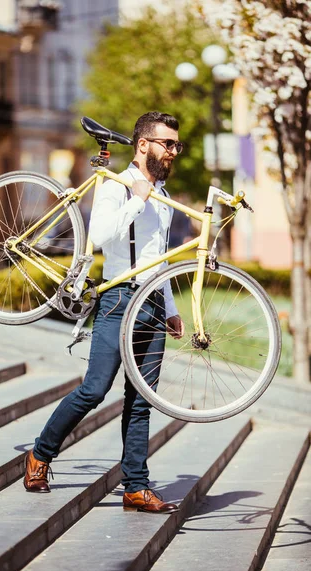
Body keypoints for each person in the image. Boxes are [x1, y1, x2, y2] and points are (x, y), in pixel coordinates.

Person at [24, 112, 185, 513]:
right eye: (168, 144)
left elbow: (159, 259)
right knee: (95, 389)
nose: (173, 152)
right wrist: (137, 199)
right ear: (144, 144)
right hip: (119, 299)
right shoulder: (118, 185)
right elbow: (99, 236)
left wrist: (171, 307)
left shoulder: (162, 195)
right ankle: (40, 455)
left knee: (142, 399)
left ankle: (135, 486)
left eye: (177, 145)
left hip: (151, 301)